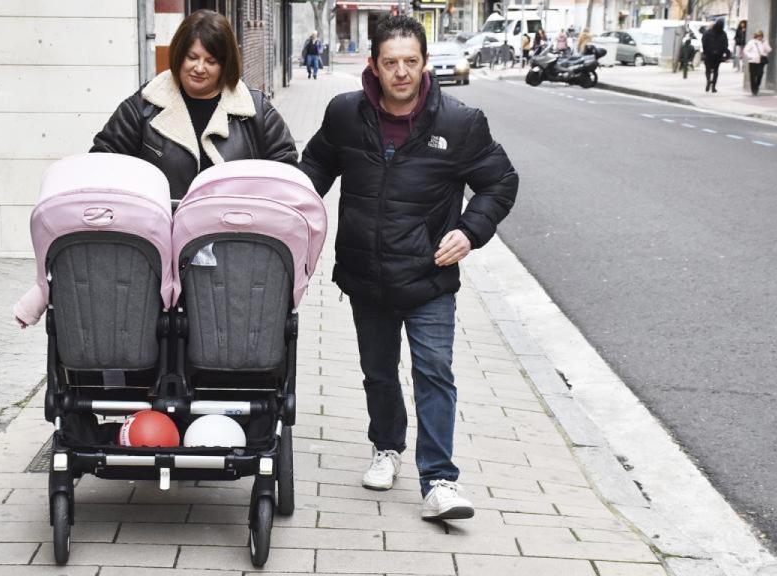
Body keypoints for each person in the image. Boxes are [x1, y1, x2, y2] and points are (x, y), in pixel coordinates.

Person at [299, 15, 518, 521]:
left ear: (425, 64)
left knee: (433, 372)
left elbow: (500, 182)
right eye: (391, 62)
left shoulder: (460, 123)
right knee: (378, 373)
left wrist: (469, 231)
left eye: (411, 62)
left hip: (428, 276)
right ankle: (386, 447)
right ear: (373, 64)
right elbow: (312, 173)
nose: (401, 72)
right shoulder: (344, 115)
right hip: (365, 273)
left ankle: (439, 479)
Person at [90, 10, 297, 200]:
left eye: (211, 61)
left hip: (234, 234)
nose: (199, 68)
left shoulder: (254, 110)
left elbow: (286, 172)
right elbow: (103, 163)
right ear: (179, 56)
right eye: (192, 57)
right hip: (163, 234)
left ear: (225, 65)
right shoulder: (145, 105)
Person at [701, 19, 730, 93]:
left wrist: (705, 51)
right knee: (716, 71)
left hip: (708, 54)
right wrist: (725, 53)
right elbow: (725, 45)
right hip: (718, 55)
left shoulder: (708, 32)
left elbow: (704, 42)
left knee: (708, 69)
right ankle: (713, 86)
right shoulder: (723, 34)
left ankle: (708, 80)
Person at [744, 30, 772, 96]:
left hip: (761, 61)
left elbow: (769, 50)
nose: (759, 37)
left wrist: (765, 44)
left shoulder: (764, 42)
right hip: (752, 61)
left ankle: (757, 86)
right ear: (756, 36)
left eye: (761, 36)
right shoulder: (751, 42)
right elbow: (746, 50)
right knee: (753, 76)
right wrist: (750, 56)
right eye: (758, 36)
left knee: (760, 74)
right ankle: (754, 90)